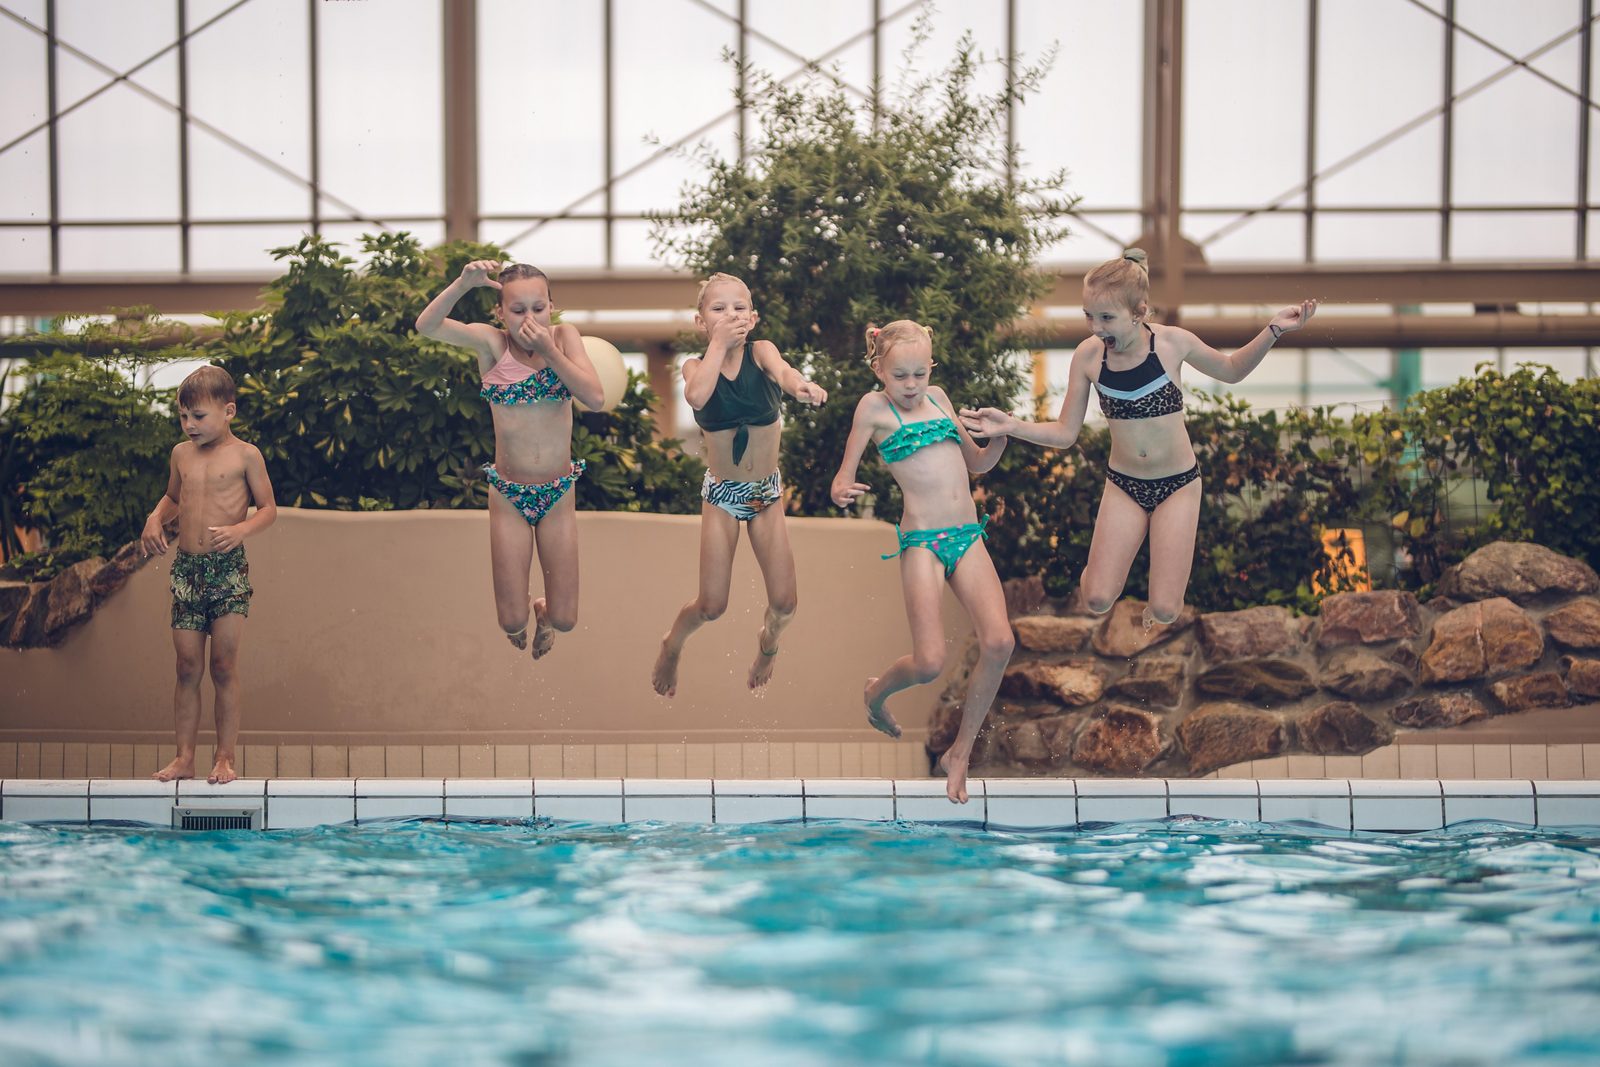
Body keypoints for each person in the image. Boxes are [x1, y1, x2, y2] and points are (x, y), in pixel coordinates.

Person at [960, 248, 1317, 628]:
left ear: (1139, 312)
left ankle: (1153, 600)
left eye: (1107, 318)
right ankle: (1102, 569)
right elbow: (1065, 433)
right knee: (1095, 598)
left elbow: (1231, 371)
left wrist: (1274, 328)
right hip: (1124, 485)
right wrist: (1011, 425)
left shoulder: (1172, 344)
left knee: (1165, 610)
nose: (1096, 327)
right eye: (1089, 316)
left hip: (1178, 484)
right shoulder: (1088, 358)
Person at [831, 321, 1012, 804]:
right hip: (923, 543)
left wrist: (999, 438)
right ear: (879, 371)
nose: (911, 386)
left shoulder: (939, 398)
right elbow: (841, 477)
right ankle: (876, 694)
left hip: (967, 536)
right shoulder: (873, 407)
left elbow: (976, 463)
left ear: (930, 367)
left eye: (918, 374)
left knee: (1000, 641)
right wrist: (843, 489)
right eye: (899, 377)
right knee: (930, 662)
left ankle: (960, 752)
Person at [416, 260, 604, 658]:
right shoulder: (491, 343)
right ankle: (524, 615)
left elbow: (595, 397)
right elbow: (426, 326)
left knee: (566, 618)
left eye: (538, 308)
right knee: (510, 622)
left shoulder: (565, 338)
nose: (529, 319)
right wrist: (462, 286)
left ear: (551, 306)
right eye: (517, 311)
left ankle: (546, 612)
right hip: (509, 496)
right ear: (500, 313)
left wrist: (550, 350)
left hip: (557, 494)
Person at [652, 272, 827, 697]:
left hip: (766, 494)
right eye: (718, 309)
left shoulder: (762, 352)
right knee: (712, 607)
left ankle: (768, 645)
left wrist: (802, 387)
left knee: (785, 604)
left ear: (753, 317)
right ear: (701, 322)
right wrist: (717, 345)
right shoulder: (697, 366)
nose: (731, 315)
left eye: (739, 308)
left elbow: (785, 373)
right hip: (722, 497)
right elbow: (696, 397)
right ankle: (672, 645)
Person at [142, 366, 277, 785]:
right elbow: (172, 496)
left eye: (198, 416)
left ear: (228, 410)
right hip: (187, 569)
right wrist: (155, 517)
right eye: (184, 417)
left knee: (222, 665)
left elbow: (269, 509)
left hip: (227, 570)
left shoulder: (246, 455)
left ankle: (224, 758)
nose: (190, 425)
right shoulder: (181, 454)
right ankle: (184, 757)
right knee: (186, 666)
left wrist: (240, 530)